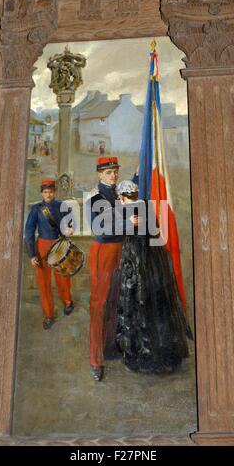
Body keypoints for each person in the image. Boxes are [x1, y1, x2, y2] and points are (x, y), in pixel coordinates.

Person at [114, 180, 192, 374]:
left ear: (123, 197)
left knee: (142, 304)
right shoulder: (140, 207)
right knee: (148, 307)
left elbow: (140, 236)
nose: (127, 200)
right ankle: (154, 355)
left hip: (142, 263)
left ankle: (150, 357)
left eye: (127, 197)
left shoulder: (134, 210)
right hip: (147, 262)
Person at [87, 157, 139, 381]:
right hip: (104, 250)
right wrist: (128, 224)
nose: (114, 176)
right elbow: (99, 227)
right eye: (109, 173)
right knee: (100, 304)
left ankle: (112, 348)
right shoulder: (95, 197)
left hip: (122, 249)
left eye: (115, 172)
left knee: (119, 299)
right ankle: (95, 359)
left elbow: (131, 191)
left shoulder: (119, 192)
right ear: (99, 175)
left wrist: (139, 173)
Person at [25, 180, 74, 330]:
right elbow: (29, 232)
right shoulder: (36, 209)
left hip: (59, 245)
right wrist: (33, 254)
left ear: (55, 192)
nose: (48, 194)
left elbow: (71, 223)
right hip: (42, 247)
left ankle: (67, 302)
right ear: (42, 193)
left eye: (51, 191)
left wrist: (69, 229)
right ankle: (48, 314)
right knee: (43, 283)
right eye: (45, 192)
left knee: (63, 276)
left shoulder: (62, 206)